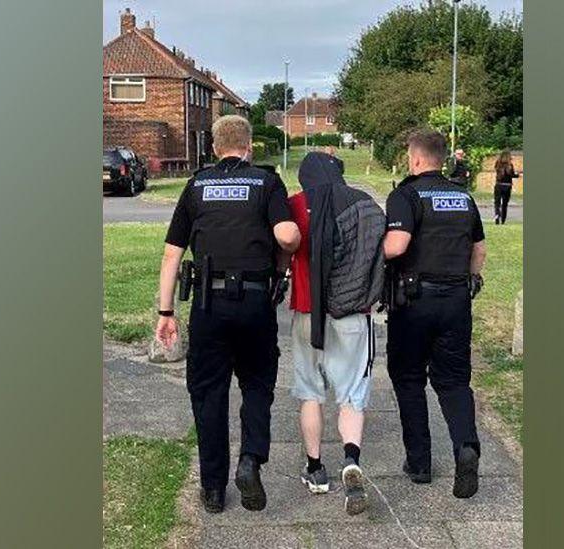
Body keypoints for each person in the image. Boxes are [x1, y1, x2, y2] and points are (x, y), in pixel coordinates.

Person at [155, 115, 301, 514]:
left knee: (208, 393)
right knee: (257, 384)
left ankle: (214, 489)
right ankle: (251, 460)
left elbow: (172, 253)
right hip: (254, 302)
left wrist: (166, 311)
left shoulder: (197, 184)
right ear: (249, 146)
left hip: (208, 304)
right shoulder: (266, 182)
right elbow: (287, 235)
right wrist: (287, 254)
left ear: (215, 148)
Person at [382, 130, 487, 499]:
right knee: (454, 380)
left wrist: (375, 251)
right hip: (457, 298)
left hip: (414, 301)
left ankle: (420, 462)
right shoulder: (462, 195)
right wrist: (471, 279)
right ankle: (466, 447)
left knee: (409, 378)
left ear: (415, 158)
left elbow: (397, 246)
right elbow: (479, 249)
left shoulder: (405, 194)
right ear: (442, 159)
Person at [286, 152, 385, 516]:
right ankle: (350, 459)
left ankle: (315, 470)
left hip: (307, 312)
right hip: (353, 314)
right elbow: (384, 249)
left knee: (311, 393)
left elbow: (285, 247)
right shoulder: (363, 203)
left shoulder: (294, 204)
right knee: (351, 396)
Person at [493, 150, 521, 224]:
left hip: (498, 185)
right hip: (507, 186)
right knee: (505, 204)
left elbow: (497, 171)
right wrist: (518, 175)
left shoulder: (498, 164)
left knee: (497, 202)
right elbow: (512, 175)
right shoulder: (510, 165)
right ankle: (503, 220)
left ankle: (497, 215)